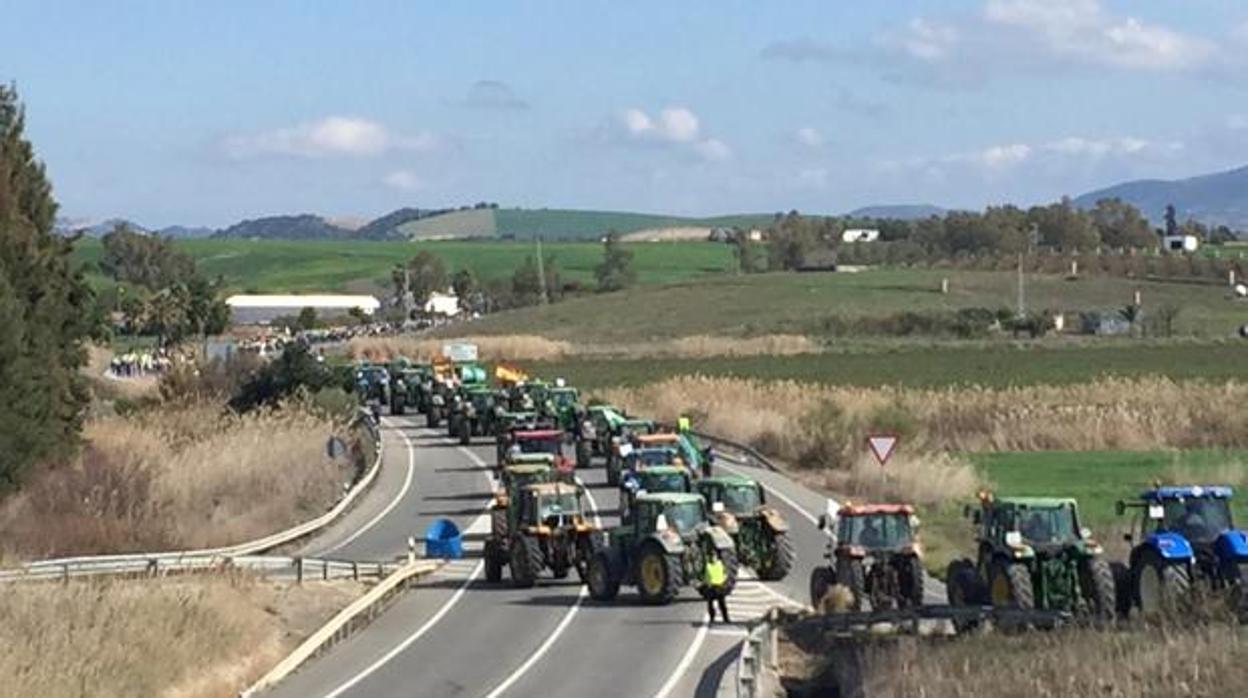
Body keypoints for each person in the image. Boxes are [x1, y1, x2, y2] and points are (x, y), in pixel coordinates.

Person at [703, 550, 730, 623]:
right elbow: (706, 576)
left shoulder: (717, 564)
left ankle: (724, 618)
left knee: (720, 604)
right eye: (712, 556)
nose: (713, 558)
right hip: (713, 587)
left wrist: (723, 580)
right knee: (712, 605)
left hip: (717, 586)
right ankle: (717, 618)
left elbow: (725, 574)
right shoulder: (709, 565)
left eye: (714, 556)